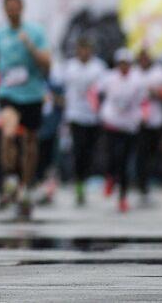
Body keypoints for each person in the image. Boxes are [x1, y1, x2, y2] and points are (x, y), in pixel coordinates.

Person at [0, 0, 51, 219]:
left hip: (32, 93)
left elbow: (47, 62)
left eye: (16, 7)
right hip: (8, 93)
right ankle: (11, 176)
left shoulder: (35, 32)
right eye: (9, 7)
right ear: (4, 9)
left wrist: (30, 46)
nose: (13, 11)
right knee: (8, 133)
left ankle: (26, 185)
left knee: (31, 143)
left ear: (22, 8)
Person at [57, 37, 106, 204]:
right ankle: (79, 183)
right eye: (81, 49)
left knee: (89, 151)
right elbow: (58, 87)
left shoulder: (98, 67)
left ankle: (84, 179)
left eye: (87, 49)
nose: (84, 52)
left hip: (92, 116)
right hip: (75, 115)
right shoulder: (69, 67)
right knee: (78, 149)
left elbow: (103, 91)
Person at [97, 48, 146, 213]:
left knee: (125, 160)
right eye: (121, 64)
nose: (124, 67)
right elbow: (96, 92)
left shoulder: (138, 80)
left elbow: (144, 101)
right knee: (113, 155)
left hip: (130, 125)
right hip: (112, 122)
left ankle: (122, 196)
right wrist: (98, 110)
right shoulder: (109, 78)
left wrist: (143, 117)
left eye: (127, 64)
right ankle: (110, 177)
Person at [134, 48, 162, 200]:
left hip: (156, 120)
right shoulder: (134, 73)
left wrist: (157, 93)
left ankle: (155, 178)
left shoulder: (160, 72)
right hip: (137, 121)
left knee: (155, 151)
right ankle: (141, 182)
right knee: (140, 153)